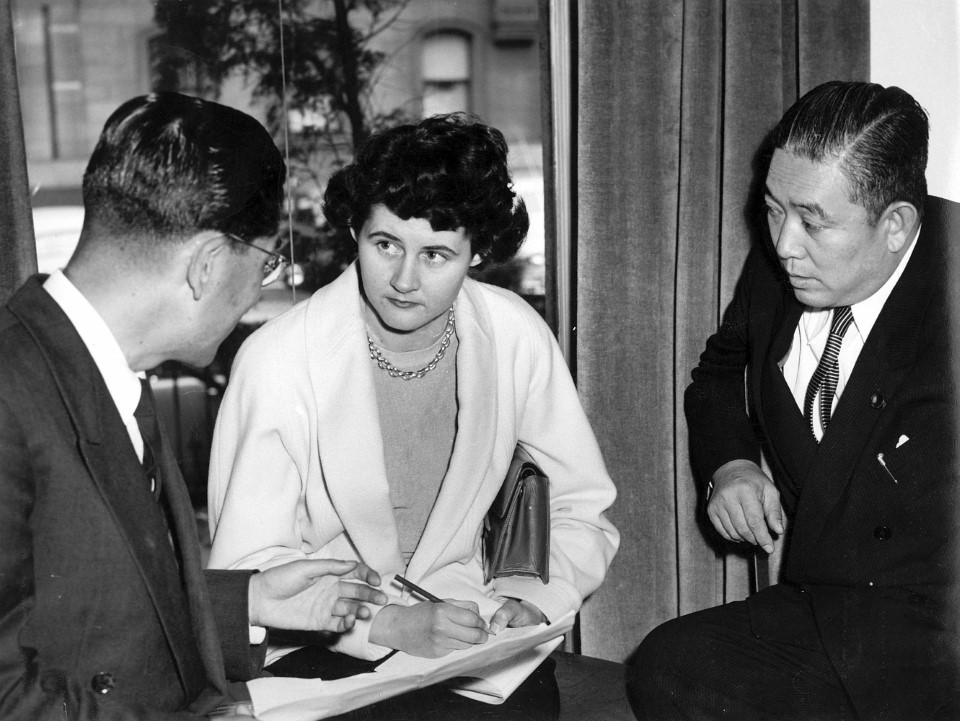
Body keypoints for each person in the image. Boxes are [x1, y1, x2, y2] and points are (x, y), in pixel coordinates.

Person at [206, 113, 620, 719]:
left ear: (477, 254)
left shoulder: (514, 335)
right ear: (355, 231)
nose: (403, 279)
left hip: (464, 623)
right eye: (386, 245)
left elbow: (580, 506)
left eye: (436, 255)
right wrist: (387, 623)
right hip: (318, 640)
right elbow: (246, 568)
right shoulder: (276, 359)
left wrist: (537, 594)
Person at [0, 92, 389, 721]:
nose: (259, 290)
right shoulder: (8, 396)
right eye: (266, 264)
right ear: (207, 265)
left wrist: (250, 601)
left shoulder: (106, 369)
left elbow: (82, 603)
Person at [627, 81, 960, 720]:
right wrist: (732, 465)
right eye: (775, 209)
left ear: (896, 225)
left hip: (936, 630)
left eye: (813, 220)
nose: (783, 244)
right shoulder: (787, 259)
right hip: (820, 604)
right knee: (666, 668)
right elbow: (720, 370)